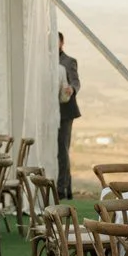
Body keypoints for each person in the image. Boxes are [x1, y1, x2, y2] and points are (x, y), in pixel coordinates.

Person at [56, 33, 81, 198]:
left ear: (62, 42)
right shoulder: (43, 60)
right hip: (49, 111)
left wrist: (71, 89)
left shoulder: (69, 61)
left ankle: (63, 189)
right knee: (56, 149)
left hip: (65, 110)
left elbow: (76, 82)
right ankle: (65, 188)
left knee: (62, 149)